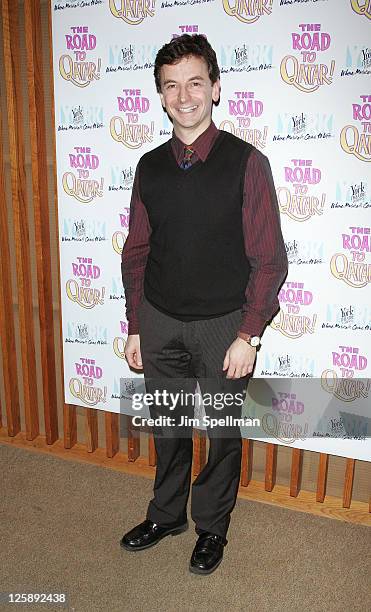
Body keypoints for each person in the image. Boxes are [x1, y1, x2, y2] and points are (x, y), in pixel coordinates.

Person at [120, 34, 288, 575]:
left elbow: (269, 259)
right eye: (172, 85)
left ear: (215, 89)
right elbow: (137, 251)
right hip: (160, 321)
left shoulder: (247, 163)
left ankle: (211, 528)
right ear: (161, 95)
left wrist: (250, 333)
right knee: (168, 428)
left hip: (224, 330)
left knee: (219, 435)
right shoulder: (148, 167)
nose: (184, 95)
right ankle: (166, 514)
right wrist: (136, 325)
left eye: (196, 82)